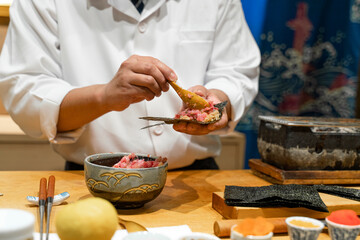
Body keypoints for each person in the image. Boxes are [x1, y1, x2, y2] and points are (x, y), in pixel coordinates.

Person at [0, 0, 260, 170]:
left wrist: (215, 100)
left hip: (194, 179)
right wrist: (103, 96)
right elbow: (24, 90)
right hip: (91, 183)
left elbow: (237, 70)